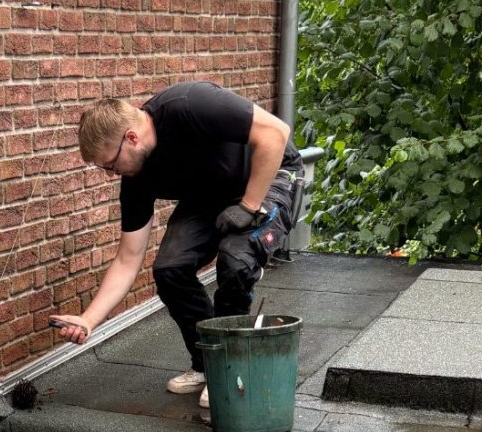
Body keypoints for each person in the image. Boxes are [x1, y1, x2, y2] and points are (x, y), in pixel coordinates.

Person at [50, 82, 303, 410]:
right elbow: (128, 259)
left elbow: (276, 133)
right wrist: (89, 320)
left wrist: (249, 206)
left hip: (269, 175)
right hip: (211, 194)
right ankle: (207, 364)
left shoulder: (189, 105)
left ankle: (231, 370)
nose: (112, 174)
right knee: (169, 268)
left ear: (131, 137)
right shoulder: (137, 177)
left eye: (111, 165)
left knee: (235, 260)